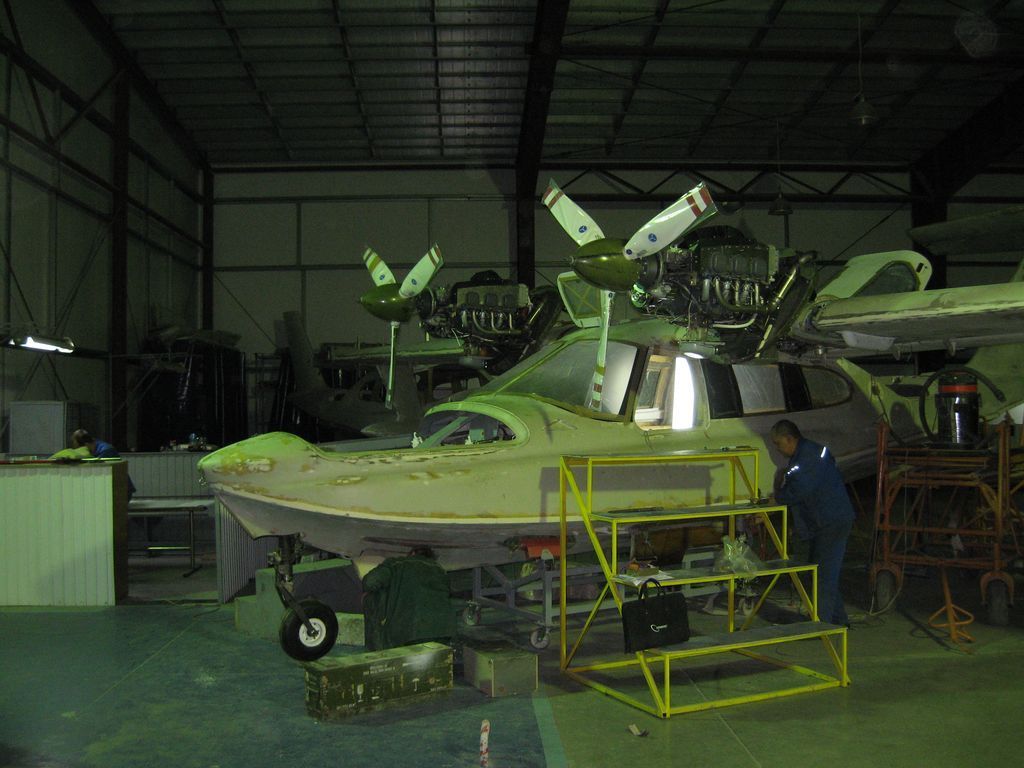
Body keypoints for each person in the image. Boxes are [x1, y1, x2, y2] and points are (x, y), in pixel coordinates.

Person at [769, 419, 854, 627]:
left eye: (778, 444)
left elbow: (800, 489)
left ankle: (820, 623)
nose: (777, 449)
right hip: (827, 520)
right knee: (823, 572)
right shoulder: (808, 454)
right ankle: (837, 619)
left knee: (822, 575)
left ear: (790, 439)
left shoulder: (807, 457)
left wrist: (778, 498)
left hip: (830, 521)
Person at [362, 546, 456, 651]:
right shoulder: (440, 570)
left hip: (409, 632)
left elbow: (370, 582)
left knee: (370, 597)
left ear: (413, 553)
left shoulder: (397, 564)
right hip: (442, 632)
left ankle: (378, 651)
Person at [70, 429, 136, 499]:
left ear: (86, 445)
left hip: (120, 491)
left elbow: (95, 468)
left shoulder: (106, 451)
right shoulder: (97, 446)